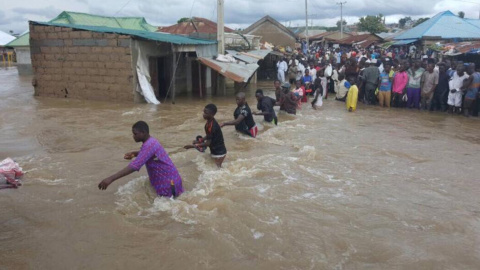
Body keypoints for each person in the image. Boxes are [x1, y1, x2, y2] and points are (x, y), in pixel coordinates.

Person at [98, 121, 184, 197]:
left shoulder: (148, 145)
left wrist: (110, 179)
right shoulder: (151, 141)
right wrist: (135, 154)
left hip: (168, 184)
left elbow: (135, 166)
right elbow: (148, 154)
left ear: (143, 133)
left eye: (135, 134)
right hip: (172, 180)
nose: (133, 136)